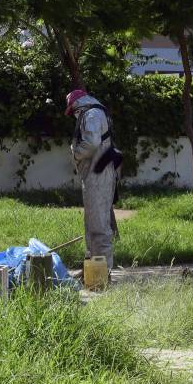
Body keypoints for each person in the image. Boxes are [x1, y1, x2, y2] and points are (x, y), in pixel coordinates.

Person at [67, 89, 123, 272]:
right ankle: (93, 268)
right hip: (96, 174)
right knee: (93, 224)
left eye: (72, 112)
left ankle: (102, 273)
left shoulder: (91, 114)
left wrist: (76, 154)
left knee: (98, 226)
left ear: (77, 106)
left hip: (98, 175)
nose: (74, 116)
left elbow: (91, 143)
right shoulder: (95, 113)